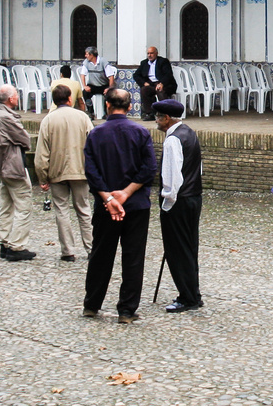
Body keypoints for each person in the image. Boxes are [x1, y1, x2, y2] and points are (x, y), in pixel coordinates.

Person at [82, 88, 155, 323]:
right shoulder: (141, 132)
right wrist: (125, 193)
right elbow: (149, 169)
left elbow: (91, 171)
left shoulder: (96, 134)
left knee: (101, 255)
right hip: (135, 205)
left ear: (107, 105)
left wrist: (108, 198)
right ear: (130, 106)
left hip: (106, 207)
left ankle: (92, 305)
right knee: (133, 257)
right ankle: (126, 310)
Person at [153, 99, 203, 312]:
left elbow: (171, 178)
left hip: (179, 201)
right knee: (190, 247)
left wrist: (167, 203)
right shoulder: (190, 133)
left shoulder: (172, 140)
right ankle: (193, 292)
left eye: (157, 117)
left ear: (166, 118)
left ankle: (187, 296)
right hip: (194, 197)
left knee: (177, 250)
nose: (155, 120)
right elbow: (198, 168)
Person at [34, 84, 94, 261]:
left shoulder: (48, 120)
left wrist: (42, 177)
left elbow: (41, 154)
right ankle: (91, 248)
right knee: (84, 209)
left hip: (56, 172)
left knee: (61, 210)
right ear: (70, 99)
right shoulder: (83, 117)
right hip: (80, 171)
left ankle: (68, 251)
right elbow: (93, 145)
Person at [0, 85, 36, 261]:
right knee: (24, 205)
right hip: (12, 166)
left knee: (6, 205)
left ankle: (5, 242)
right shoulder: (6, 117)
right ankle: (16, 246)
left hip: (1, 165)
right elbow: (24, 138)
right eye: (16, 95)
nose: (18, 97)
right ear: (10, 99)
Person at [132, 46, 178, 116]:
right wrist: (144, 83)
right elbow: (136, 75)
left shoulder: (163, 61)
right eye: (148, 53)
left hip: (164, 84)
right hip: (151, 84)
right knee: (144, 90)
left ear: (156, 53)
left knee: (160, 91)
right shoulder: (144, 63)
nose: (149, 55)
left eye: (151, 53)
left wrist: (162, 83)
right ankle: (150, 113)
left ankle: (165, 113)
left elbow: (168, 74)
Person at [78, 47, 116, 114]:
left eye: (87, 54)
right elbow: (82, 74)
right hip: (93, 85)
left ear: (91, 55)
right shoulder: (86, 62)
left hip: (104, 85)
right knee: (85, 93)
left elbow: (111, 76)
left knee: (109, 94)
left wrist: (109, 88)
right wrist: (84, 86)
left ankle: (107, 113)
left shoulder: (103, 61)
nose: (85, 56)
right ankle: (90, 112)